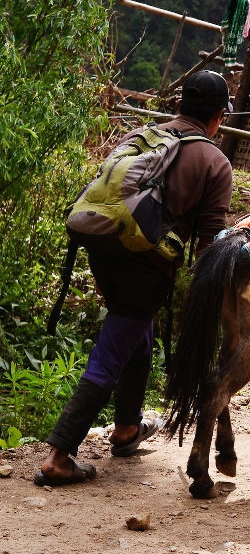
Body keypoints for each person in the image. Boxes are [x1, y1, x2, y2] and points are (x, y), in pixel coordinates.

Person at [35, 71, 234, 486]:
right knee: (112, 350)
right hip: (147, 268)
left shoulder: (143, 137)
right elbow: (210, 240)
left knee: (135, 337)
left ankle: (126, 430)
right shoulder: (214, 161)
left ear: (179, 105)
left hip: (102, 252)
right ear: (217, 117)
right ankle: (59, 455)